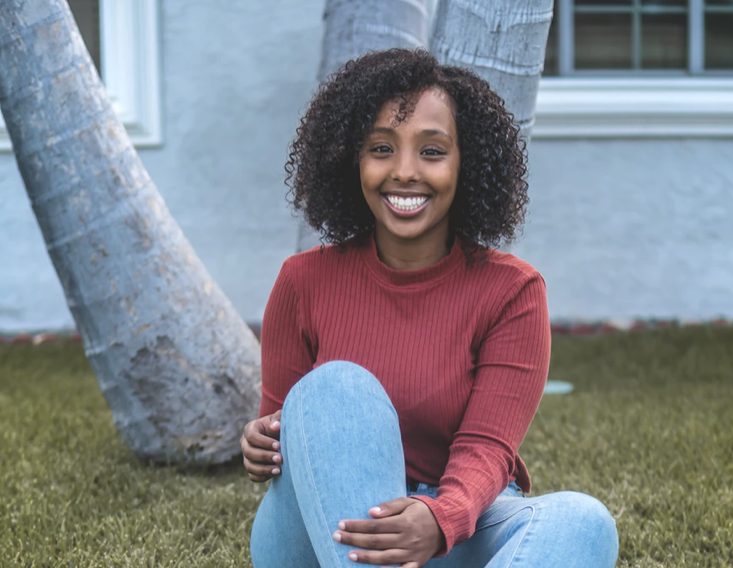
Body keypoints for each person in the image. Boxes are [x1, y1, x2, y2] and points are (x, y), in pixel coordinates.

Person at [241, 48, 619, 567]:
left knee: (584, 521)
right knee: (336, 387)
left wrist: (439, 518)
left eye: (433, 152)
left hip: (451, 527)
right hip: (323, 532)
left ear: (468, 164)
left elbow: (488, 448)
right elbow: (285, 438)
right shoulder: (302, 282)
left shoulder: (512, 292)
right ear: (351, 159)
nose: (404, 172)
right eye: (380, 148)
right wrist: (260, 444)